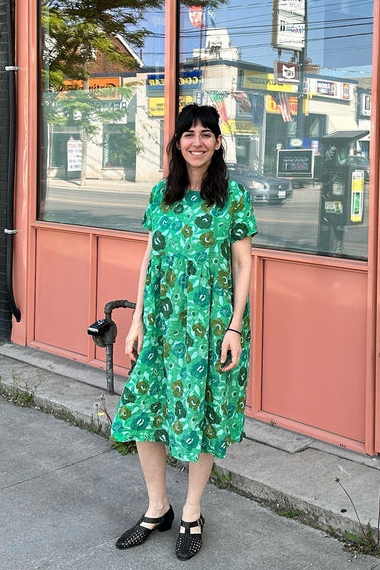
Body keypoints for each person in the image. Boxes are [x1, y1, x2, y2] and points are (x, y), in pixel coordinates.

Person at [111, 104, 256, 561]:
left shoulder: (233, 196)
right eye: (188, 133)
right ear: (176, 142)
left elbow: (244, 263)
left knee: (204, 414)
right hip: (161, 324)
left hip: (212, 327)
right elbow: (149, 259)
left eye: (206, 133)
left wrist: (234, 326)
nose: (197, 141)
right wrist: (135, 321)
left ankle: (192, 511)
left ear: (217, 143)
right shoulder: (161, 195)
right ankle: (158, 507)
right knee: (145, 410)